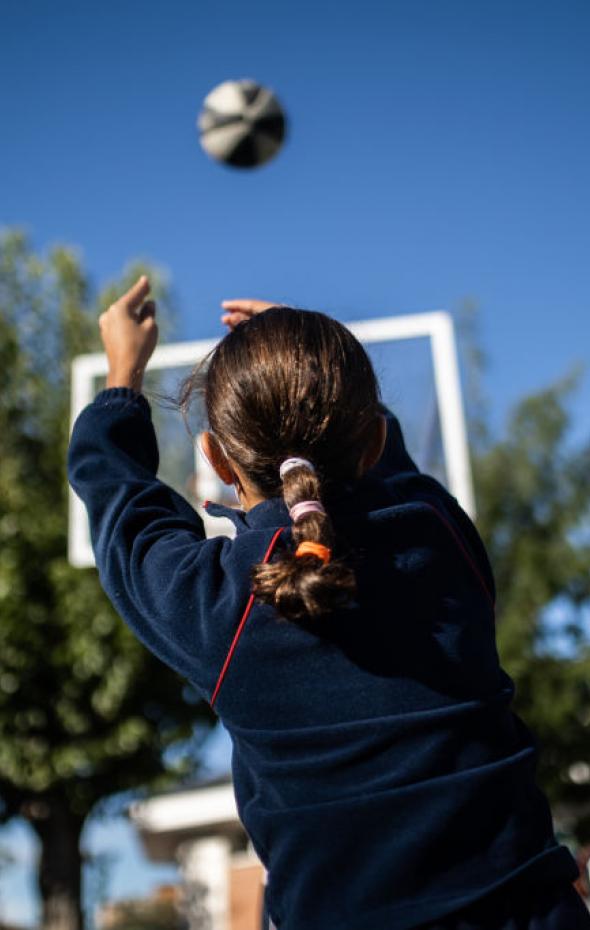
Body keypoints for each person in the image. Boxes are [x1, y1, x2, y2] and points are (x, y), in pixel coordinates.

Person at [68, 278, 590, 930]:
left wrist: (123, 377)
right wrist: (315, 364)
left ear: (215, 461)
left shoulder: (218, 610)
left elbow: (126, 518)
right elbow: (387, 467)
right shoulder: (442, 538)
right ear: (371, 441)